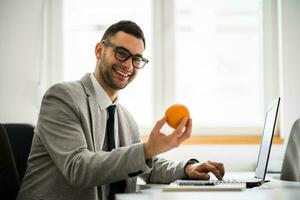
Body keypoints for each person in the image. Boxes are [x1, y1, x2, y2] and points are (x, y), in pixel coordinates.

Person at [17, 20, 225, 200]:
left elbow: (145, 166)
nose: (128, 65)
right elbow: (78, 168)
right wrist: (147, 149)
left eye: (136, 59)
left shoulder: (125, 118)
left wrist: (186, 169)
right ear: (99, 51)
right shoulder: (61, 98)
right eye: (121, 53)